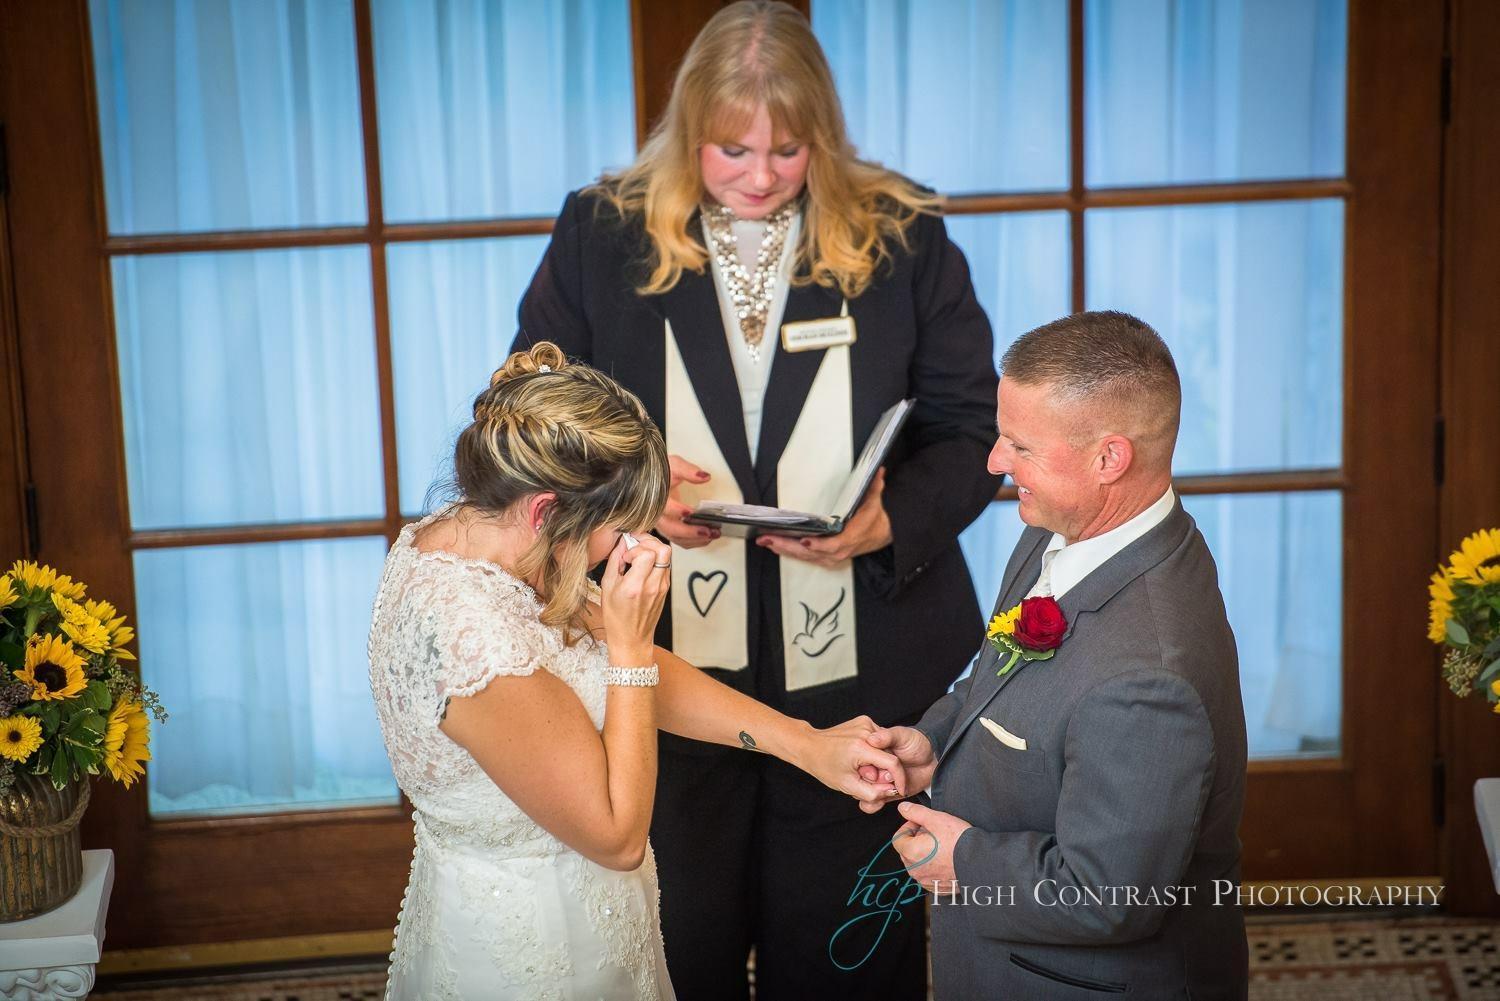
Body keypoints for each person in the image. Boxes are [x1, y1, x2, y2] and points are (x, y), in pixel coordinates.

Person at [513, 2, 999, 996]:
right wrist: (625, 503)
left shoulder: (902, 233)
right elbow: (533, 414)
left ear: (825, 133)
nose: (762, 175)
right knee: (678, 942)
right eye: (733, 149)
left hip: (865, 667)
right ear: (689, 129)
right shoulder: (601, 231)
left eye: (789, 149)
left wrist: (889, 519)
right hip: (663, 668)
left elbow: (972, 427)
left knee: (846, 960)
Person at [368, 342, 907, 1000]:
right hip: (536, 945)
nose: (630, 547)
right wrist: (630, 649)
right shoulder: (478, 645)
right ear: (546, 511)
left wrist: (805, 743)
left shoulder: (478, 533)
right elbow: (617, 837)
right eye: (618, 528)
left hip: (588, 916)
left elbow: (601, 659)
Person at [861, 311, 1250, 1000]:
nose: (994, 461)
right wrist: (935, 738)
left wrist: (964, 864)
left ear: (1109, 459)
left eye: (1020, 446)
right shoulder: (1063, 532)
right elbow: (1005, 675)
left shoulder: (1149, 677)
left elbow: (1110, 897)